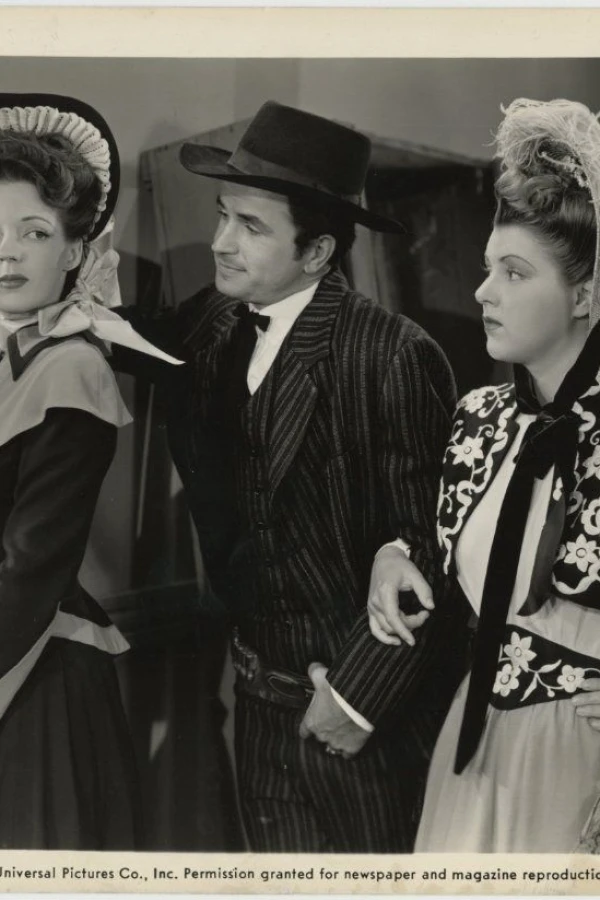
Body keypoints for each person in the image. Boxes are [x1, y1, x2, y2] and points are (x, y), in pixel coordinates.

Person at [114, 100, 468, 853]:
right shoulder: (217, 319)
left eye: (251, 226)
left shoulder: (393, 354)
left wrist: (356, 702)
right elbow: (142, 337)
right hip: (255, 705)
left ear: (317, 253)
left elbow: (435, 544)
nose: (221, 242)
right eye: (222, 216)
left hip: (364, 720)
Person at [368, 97, 600, 853]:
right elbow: (458, 555)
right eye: (487, 268)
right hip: (477, 740)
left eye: (514, 272)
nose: (483, 292)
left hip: (582, 751)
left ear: (585, 294)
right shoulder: (478, 416)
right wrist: (394, 554)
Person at [0, 93, 180, 849]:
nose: (7, 253)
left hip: (27, 671)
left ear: (75, 252)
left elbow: (30, 564)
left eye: (34, 233)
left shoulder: (72, 366)